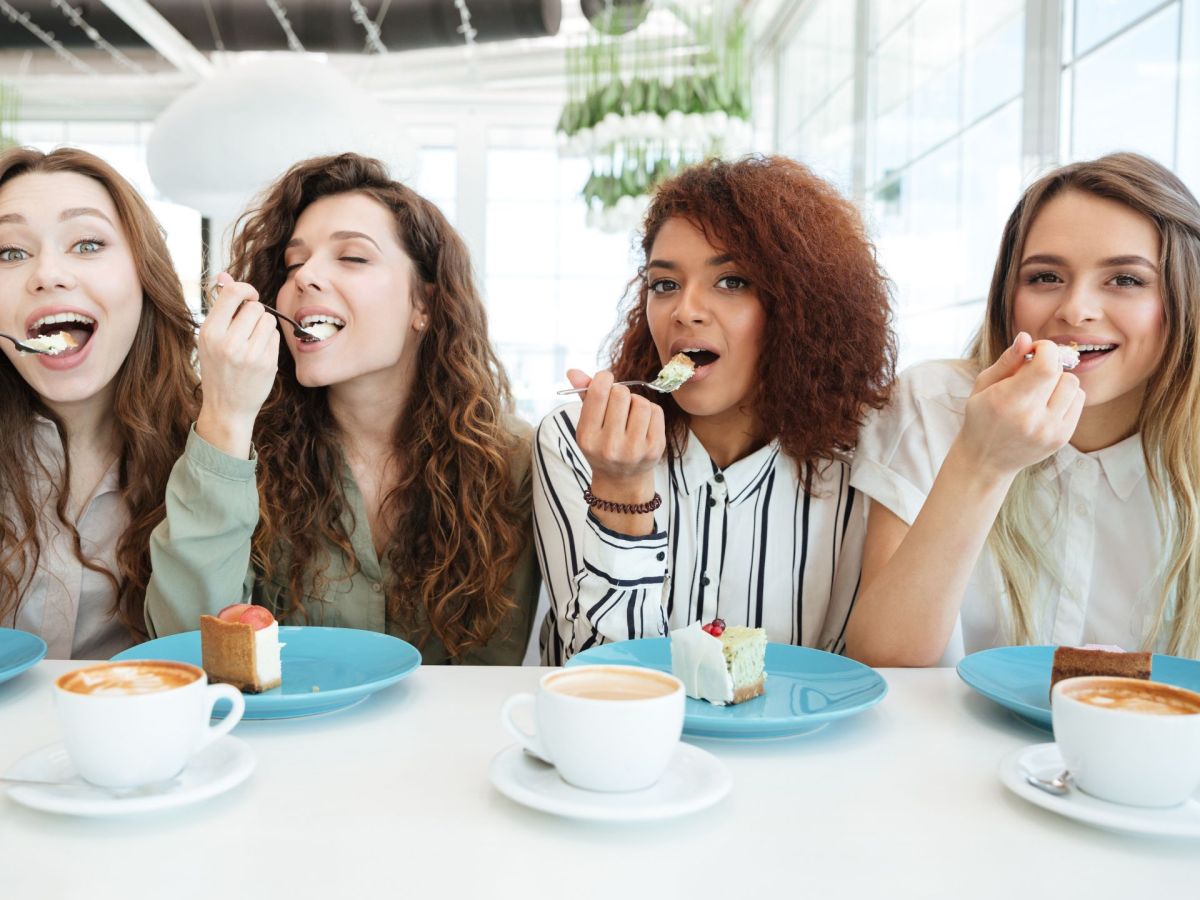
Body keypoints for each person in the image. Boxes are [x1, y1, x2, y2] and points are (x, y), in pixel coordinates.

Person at [146, 153, 539, 664]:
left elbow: (495, 676)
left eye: (352, 257)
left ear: (425, 303)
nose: (305, 276)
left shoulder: (513, 461)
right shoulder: (236, 449)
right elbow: (184, 653)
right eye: (293, 264)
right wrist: (225, 413)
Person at [534, 155, 896, 663]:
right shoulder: (577, 440)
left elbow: (849, 674)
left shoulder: (868, 453)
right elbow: (603, 673)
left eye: (731, 281)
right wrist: (622, 489)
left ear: (801, 307)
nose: (685, 310)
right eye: (665, 285)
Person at [845, 152, 1200, 666]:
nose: (1076, 309)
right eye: (1045, 277)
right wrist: (982, 461)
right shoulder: (933, 405)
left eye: (1125, 280)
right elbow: (886, 658)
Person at [0, 147, 198, 658]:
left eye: (87, 244)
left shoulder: (210, 445)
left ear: (143, 276)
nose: (47, 274)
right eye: (9, 253)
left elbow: (207, 654)